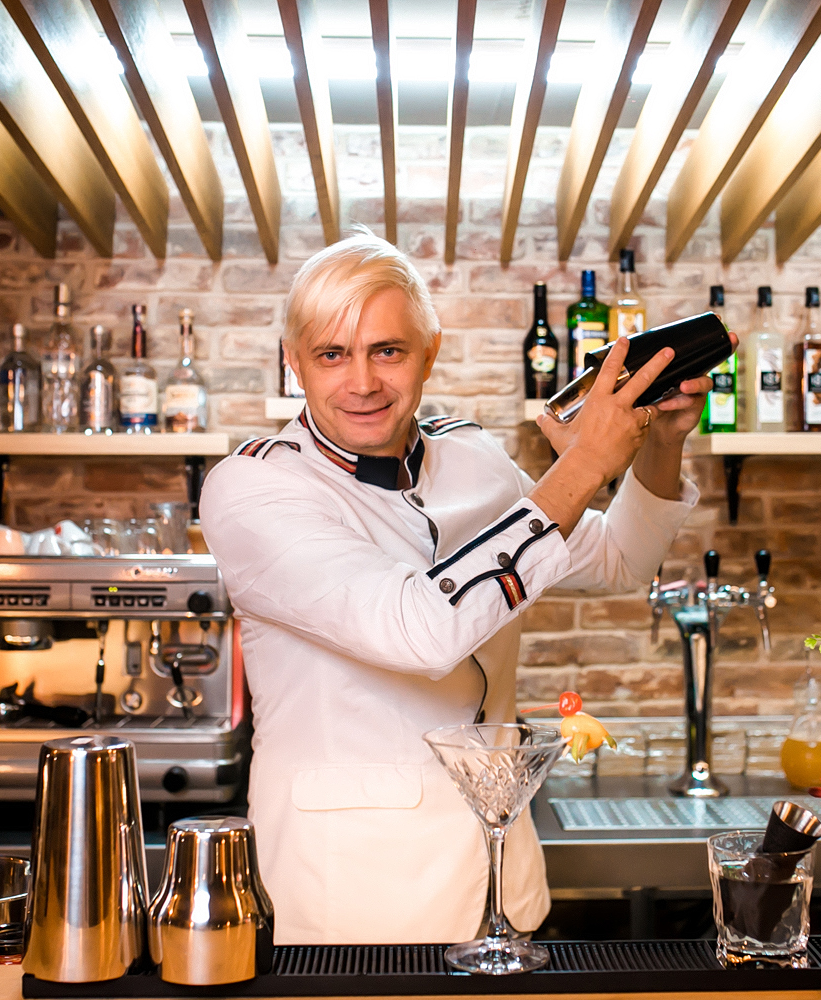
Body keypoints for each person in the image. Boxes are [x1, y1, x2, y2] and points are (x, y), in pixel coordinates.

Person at [201, 229, 722, 944]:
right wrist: (582, 467)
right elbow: (418, 631)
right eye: (332, 354)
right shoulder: (253, 488)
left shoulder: (473, 456)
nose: (362, 382)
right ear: (293, 362)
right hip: (350, 898)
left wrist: (659, 441)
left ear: (430, 352)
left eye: (388, 351)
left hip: (505, 883)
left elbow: (618, 559)